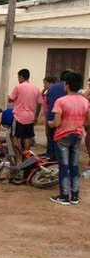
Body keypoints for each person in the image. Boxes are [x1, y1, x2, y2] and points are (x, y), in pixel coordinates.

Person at [48, 72, 90, 205]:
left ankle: (64, 196)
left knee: (64, 166)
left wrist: (50, 123)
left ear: (66, 85)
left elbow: (57, 123)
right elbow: (88, 121)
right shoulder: (85, 101)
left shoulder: (61, 101)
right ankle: (75, 195)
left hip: (63, 137)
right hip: (77, 135)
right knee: (75, 165)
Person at [8, 68, 43, 160]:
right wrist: (36, 116)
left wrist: (13, 99)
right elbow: (39, 103)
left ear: (21, 76)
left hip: (18, 116)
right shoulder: (36, 88)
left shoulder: (18, 87)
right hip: (30, 117)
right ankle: (26, 158)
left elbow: (11, 99)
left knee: (16, 138)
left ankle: (18, 159)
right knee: (26, 138)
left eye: (18, 77)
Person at [46, 70, 69, 160]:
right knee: (62, 140)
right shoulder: (67, 88)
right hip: (62, 118)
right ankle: (60, 159)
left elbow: (47, 101)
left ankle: (51, 157)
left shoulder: (51, 87)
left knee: (51, 138)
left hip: (51, 116)